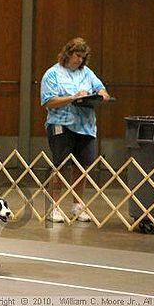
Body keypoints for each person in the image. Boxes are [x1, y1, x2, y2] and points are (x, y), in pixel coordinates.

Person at [40, 37, 111, 223]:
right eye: (77, 56)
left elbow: (100, 88)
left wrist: (102, 94)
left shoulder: (87, 73)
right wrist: (72, 98)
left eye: (83, 57)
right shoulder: (52, 74)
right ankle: (54, 207)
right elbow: (48, 101)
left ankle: (77, 205)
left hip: (86, 127)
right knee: (60, 166)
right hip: (61, 124)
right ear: (68, 54)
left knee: (82, 167)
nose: (80, 60)